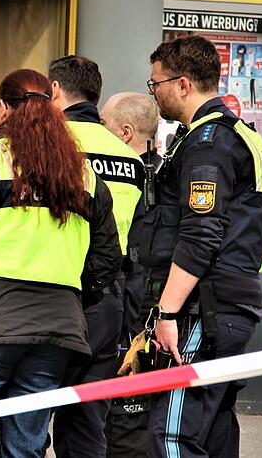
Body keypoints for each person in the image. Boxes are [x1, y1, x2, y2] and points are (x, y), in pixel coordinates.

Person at [0, 68, 122, 458]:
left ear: (2, 108)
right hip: (54, 334)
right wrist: (73, 300)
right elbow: (107, 260)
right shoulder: (81, 174)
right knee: (25, 447)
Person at [141, 35, 262, 458]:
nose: (153, 91)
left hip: (204, 309)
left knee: (172, 434)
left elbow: (200, 234)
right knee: (213, 433)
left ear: (182, 84)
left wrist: (167, 312)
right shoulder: (240, 136)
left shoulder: (207, 144)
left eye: (155, 83)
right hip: (232, 303)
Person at [48, 56, 144, 458]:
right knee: (88, 417)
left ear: (55, 91)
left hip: (55, 291)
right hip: (109, 298)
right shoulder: (132, 159)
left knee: (29, 411)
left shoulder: (49, 146)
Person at [99, 92, 162, 458]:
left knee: (125, 424)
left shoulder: (150, 182)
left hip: (135, 318)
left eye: (103, 125)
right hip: (123, 311)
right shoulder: (155, 174)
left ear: (124, 132)